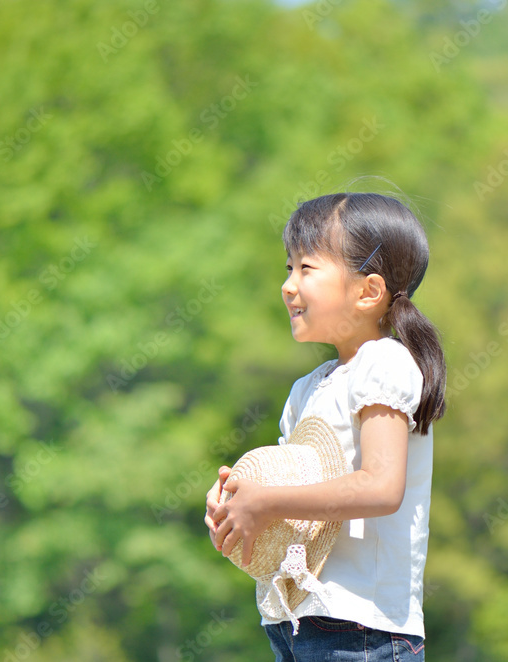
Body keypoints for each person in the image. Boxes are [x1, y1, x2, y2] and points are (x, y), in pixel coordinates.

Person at [204, 192, 446, 661]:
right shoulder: (307, 389)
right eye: (287, 268)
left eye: (306, 268)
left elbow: (381, 488)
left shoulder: (384, 363)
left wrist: (266, 500)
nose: (287, 286)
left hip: (362, 627)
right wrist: (235, 511)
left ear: (368, 291)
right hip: (296, 621)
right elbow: (290, 501)